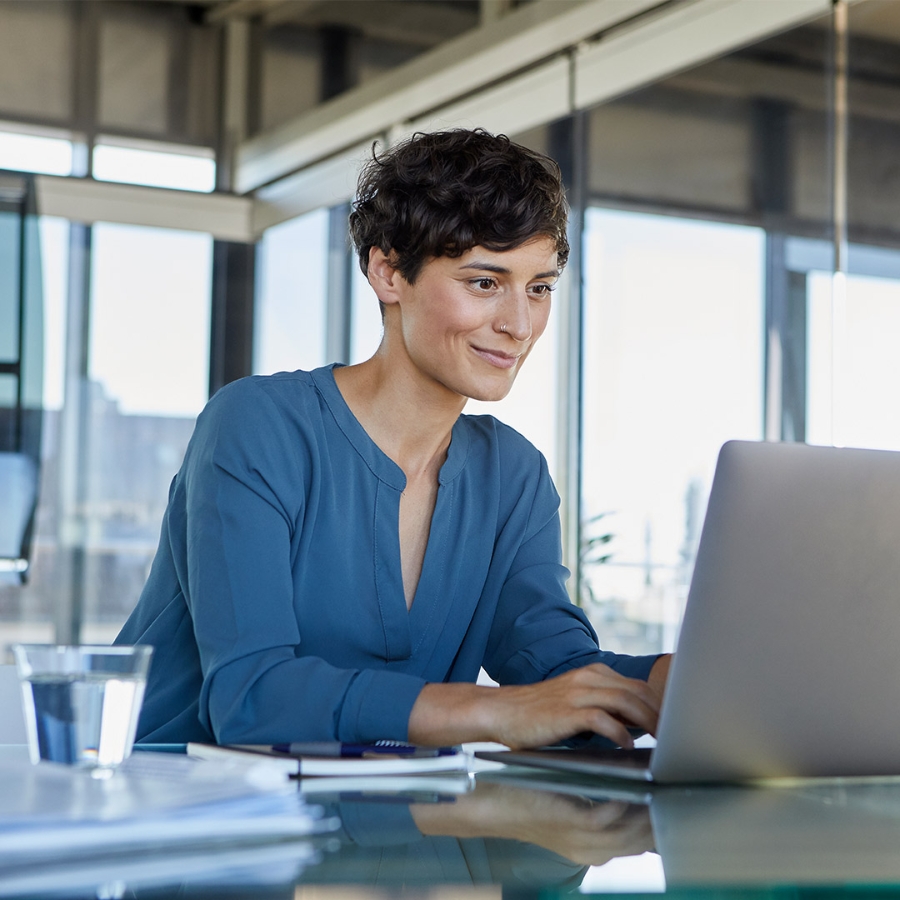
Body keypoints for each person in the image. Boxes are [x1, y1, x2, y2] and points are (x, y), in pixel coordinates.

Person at [115, 128, 671, 749]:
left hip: (380, 824)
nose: (519, 325)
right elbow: (251, 698)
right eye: (484, 282)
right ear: (387, 273)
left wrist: (670, 680)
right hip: (177, 818)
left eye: (538, 288)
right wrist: (493, 713)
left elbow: (553, 671)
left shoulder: (511, 474)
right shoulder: (257, 426)